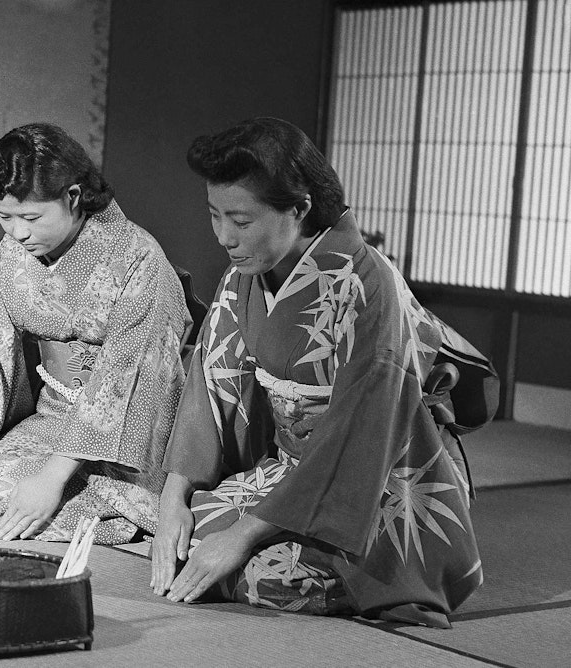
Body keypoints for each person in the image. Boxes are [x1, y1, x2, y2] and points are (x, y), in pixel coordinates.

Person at [152, 117, 497, 628]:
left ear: (299, 208)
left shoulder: (366, 284)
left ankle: (383, 574)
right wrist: (171, 500)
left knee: (266, 574)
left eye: (241, 221)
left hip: (377, 473)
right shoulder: (243, 276)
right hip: (292, 468)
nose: (224, 237)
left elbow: (363, 430)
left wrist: (243, 535)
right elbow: (210, 386)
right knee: (186, 534)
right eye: (214, 215)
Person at [0, 123, 190, 544]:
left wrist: (51, 479)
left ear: (73, 197)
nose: (17, 233)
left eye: (31, 217)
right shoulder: (11, 256)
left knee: (30, 504)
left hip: (131, 435)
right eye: (4, 217)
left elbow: (125, 381)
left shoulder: (138, 258)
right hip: (53, 419)